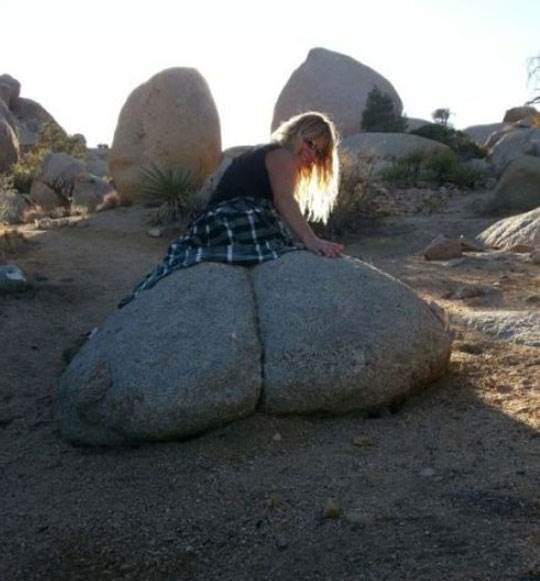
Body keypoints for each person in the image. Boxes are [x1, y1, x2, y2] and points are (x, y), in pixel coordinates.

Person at [118, 111, 344, 308]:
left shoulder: (265, 152)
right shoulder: (282, 155)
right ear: (296, 133)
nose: (311, 154)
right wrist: (311, 240)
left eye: (319, 153)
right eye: (310, 143)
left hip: (212, 224)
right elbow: (284, 199)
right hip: (232, 220)